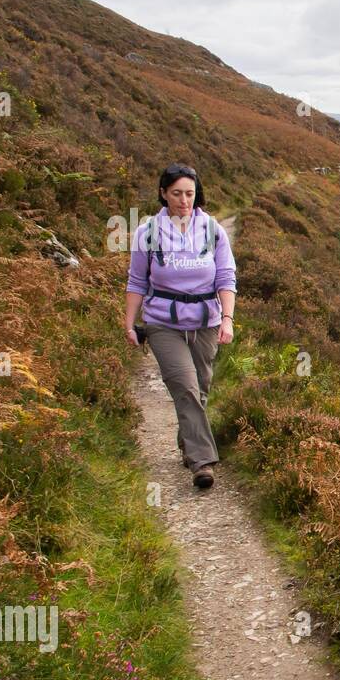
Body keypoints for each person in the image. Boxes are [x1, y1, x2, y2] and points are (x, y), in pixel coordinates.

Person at [123, 163, 237, 489]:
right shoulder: (148, 233)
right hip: (162, 323)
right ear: (163, 193)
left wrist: (227, 319)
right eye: (176, 193)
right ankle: (203, 462)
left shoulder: (213, 231)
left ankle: (188, 444)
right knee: (185, 387)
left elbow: (226, 278)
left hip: (205, 322)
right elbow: (136, 281)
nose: (184, 200)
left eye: (189, 193)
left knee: (199, 390)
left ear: (196, 193)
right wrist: (130, 323)